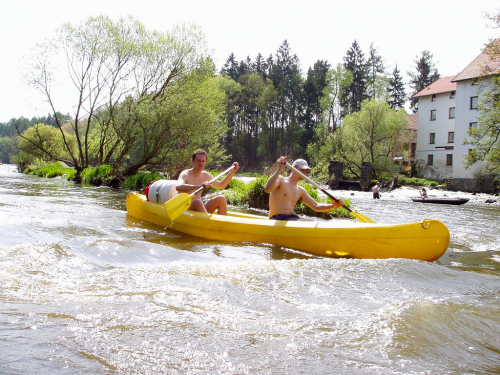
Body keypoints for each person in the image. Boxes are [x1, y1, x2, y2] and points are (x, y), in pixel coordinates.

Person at [264, 156, 344, 220]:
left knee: (311, 222)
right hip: (278, 218)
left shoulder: (300, 190)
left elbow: (316, 206)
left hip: (291, 218)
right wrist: (280, 168)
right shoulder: (281, 180)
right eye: (302, 170)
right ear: (294, 168)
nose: (305, 173)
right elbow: (268, 189)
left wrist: (332, 206)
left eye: (306, 171)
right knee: (309, 223)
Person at [176, 149, 239, 215]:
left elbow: (221, 185)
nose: (201, 163)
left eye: (203, 161)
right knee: (197, 202)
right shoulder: (185, 174)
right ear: (193, 161)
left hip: (200, 206)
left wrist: (232, 171)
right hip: (186, 207)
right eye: (198, 161)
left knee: (221, 198)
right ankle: (208, 224)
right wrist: (199, 186)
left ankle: (222, 224)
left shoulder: (205, 175)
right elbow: (178, 187)